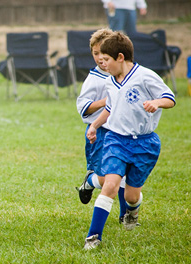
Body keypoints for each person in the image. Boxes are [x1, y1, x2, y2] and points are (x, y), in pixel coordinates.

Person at [83, 31, 175, 250]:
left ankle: (132, 211)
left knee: (132, 195)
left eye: (106, 60)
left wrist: (157, 103)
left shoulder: (145, 76)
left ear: (121, 57)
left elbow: (170, 98)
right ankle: (93, 237)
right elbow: (110, 108)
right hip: (116, 140)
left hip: (145, 143)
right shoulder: (110, 82)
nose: (102, 64)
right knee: (111, 185)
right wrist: (95, 126)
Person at [76, 28, 127, 223]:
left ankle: (125, 216)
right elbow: (84, 108)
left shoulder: (124, 76)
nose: (99, 58)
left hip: (121, 132)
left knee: (122, 176)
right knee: (107, 179)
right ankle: (90, 182)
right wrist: (108, 100)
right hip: (98, 133)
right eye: (95, 53)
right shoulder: (94, 79)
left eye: (103, 54)